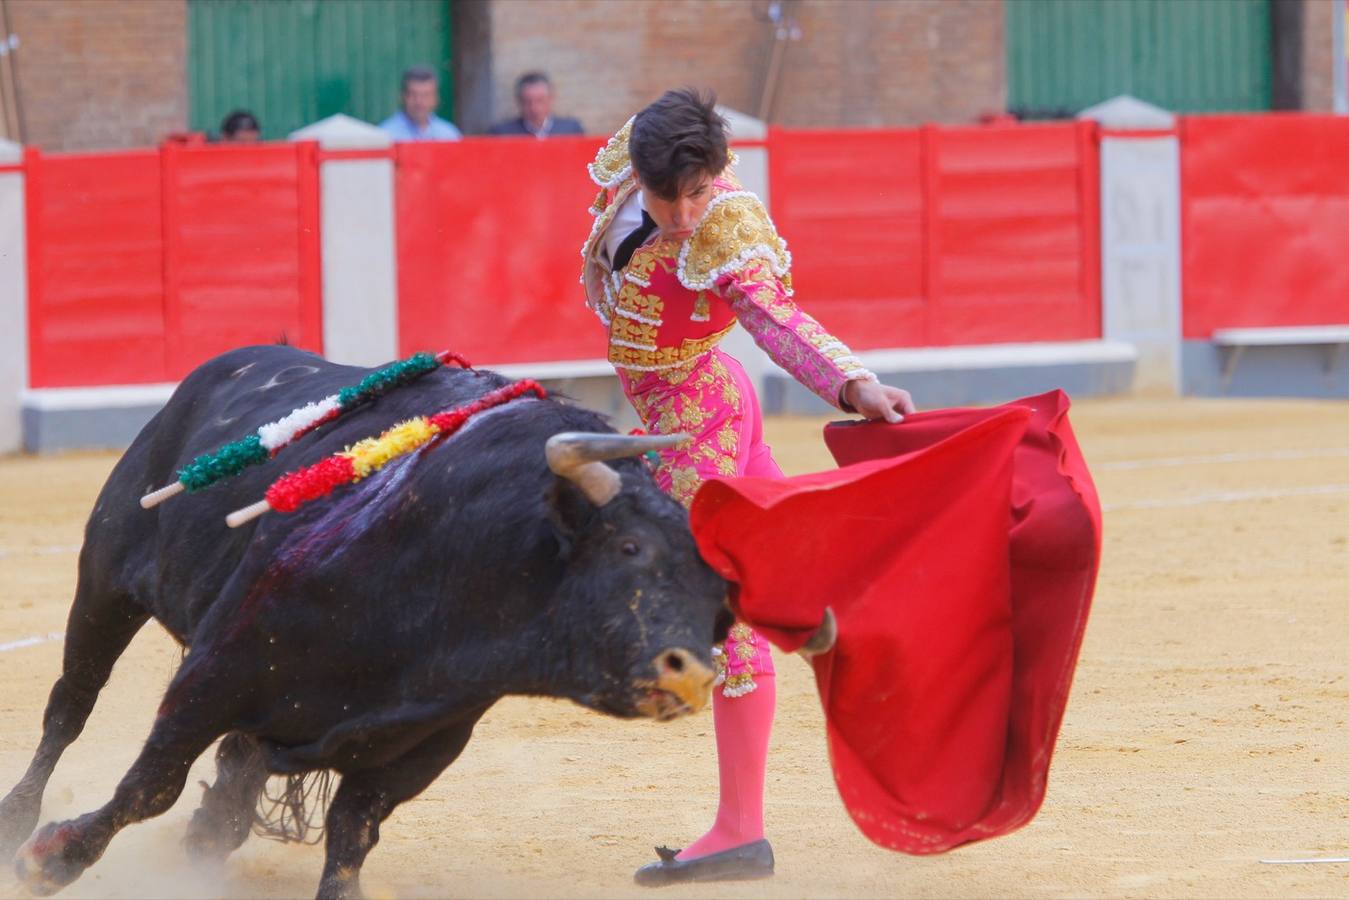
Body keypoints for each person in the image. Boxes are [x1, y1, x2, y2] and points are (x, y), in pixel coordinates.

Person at [578, 88, 914, 885]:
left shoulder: (728, 226)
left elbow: (774, 319)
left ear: (719, 175)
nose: (684, 216)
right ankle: (840, 614)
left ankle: (738, 829)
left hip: (698, 419)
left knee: (726, 616)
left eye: (697, 193)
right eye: (668, 196)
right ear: (640, 173)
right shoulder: (641, 153)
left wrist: (852, 384)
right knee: (776, 576)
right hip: (689, 401)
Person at [488, 71, 584, 138]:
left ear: (551, 98)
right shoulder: (503, 134)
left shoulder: (570, 130)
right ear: (519, 101)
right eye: (527, 102)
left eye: (540, 100)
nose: (534, 108)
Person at [378, 66, 462, 141]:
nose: (419, 101)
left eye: (426, 95)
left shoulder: (449, 135)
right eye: (413, 94)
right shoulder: (386, 135)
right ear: (402, 97)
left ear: (436, 99)